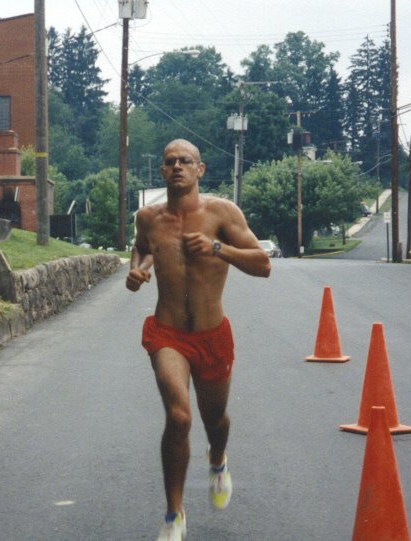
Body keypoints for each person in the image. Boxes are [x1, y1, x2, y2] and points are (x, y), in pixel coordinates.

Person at [126, 139, 271, 541]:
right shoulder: (148, 217)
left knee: (215, 420)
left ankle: (218, 459)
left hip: (211, 335)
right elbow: (141, 250)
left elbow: (263, 264)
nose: (177, 166)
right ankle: (174, 514)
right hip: (167, 332)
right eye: (170, 161)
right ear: (162, 171)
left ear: (199, 170)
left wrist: (217, 248)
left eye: (185, 161)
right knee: (179, 417)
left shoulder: (222, 213)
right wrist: (137, 270)